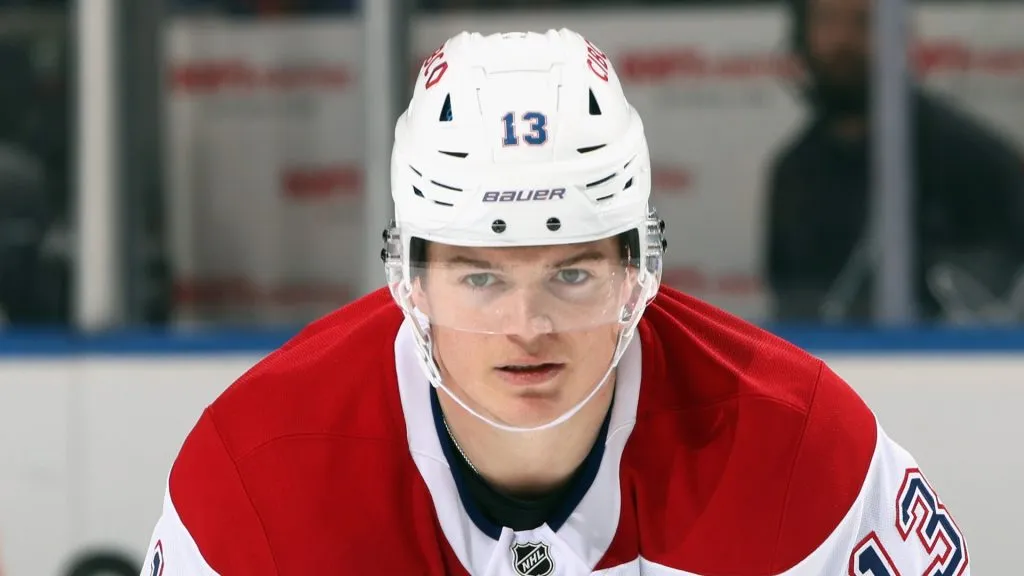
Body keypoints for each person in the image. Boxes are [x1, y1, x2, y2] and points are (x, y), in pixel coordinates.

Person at [139, 29, 970, 575]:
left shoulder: (803, 451)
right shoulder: (255, 477)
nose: (527, 327)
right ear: (411, 282)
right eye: (480, 277)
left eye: (571, 275)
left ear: (636, 273)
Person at [766, 0, 1024, 323]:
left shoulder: (977, 161)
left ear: (898, 35)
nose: (842, 40)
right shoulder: (795, 171)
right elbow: (791, 306)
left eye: (863, 22)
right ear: (802, 33)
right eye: (827, 21)